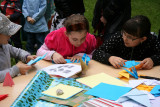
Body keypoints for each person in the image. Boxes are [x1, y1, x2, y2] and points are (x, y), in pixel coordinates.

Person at [92, 15, 160, 70]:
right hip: (117, 73)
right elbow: (97, 53)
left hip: (142, 76)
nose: (124, 38)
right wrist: (109, 58)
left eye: (130, 37)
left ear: (142, 39)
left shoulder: (152, 41)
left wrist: (153, 60)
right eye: (124, 33)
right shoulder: (118, 37)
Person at [0, 13, 37, 82]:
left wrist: (26, 57)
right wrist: (16, 70)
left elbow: (17, 52)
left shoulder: (4, 45)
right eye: (6, 33)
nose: (10, 35)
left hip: (8, 83)